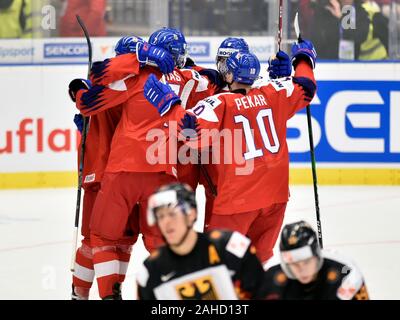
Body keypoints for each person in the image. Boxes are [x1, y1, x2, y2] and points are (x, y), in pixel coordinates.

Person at [72, 27, 219, 299]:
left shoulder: (132, 78)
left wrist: (79, 93)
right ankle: (176, 295)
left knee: (100, 238)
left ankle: (103, 294)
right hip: (164, 171)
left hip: (117, 170)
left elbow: (94, 84)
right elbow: (213, 78)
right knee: (158, 239)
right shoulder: (190, 78)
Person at [143, 39, 317, 267]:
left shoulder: (220, 103)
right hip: (275, 198)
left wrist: (170, 105)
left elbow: (191, 134)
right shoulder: (274, 92)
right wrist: (304, 58)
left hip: (238, 199)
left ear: (228, 75)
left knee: (217, 262)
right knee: (256, 262)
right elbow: (306, 86)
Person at [68, 35, 174, 299]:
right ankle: (110, 291)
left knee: (99, 239)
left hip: (111, 170)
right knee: (122, 240)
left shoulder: (121, 81)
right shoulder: (159, 81)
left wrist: (77, 90)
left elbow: (86, 101)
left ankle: (90, 294)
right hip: (145, 169)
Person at [137, 183, 266, 300]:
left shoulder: (230, 247)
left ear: (191, 214)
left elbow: (263, 292)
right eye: (160, 216)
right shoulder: (150, 270)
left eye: (172, 214)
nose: (166, 222)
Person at [262, 220, 370, 300]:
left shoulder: (346, 274)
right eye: (294, 264)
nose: (301, 270)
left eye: (306, 262)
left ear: (317, 255)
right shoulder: (270, 277)